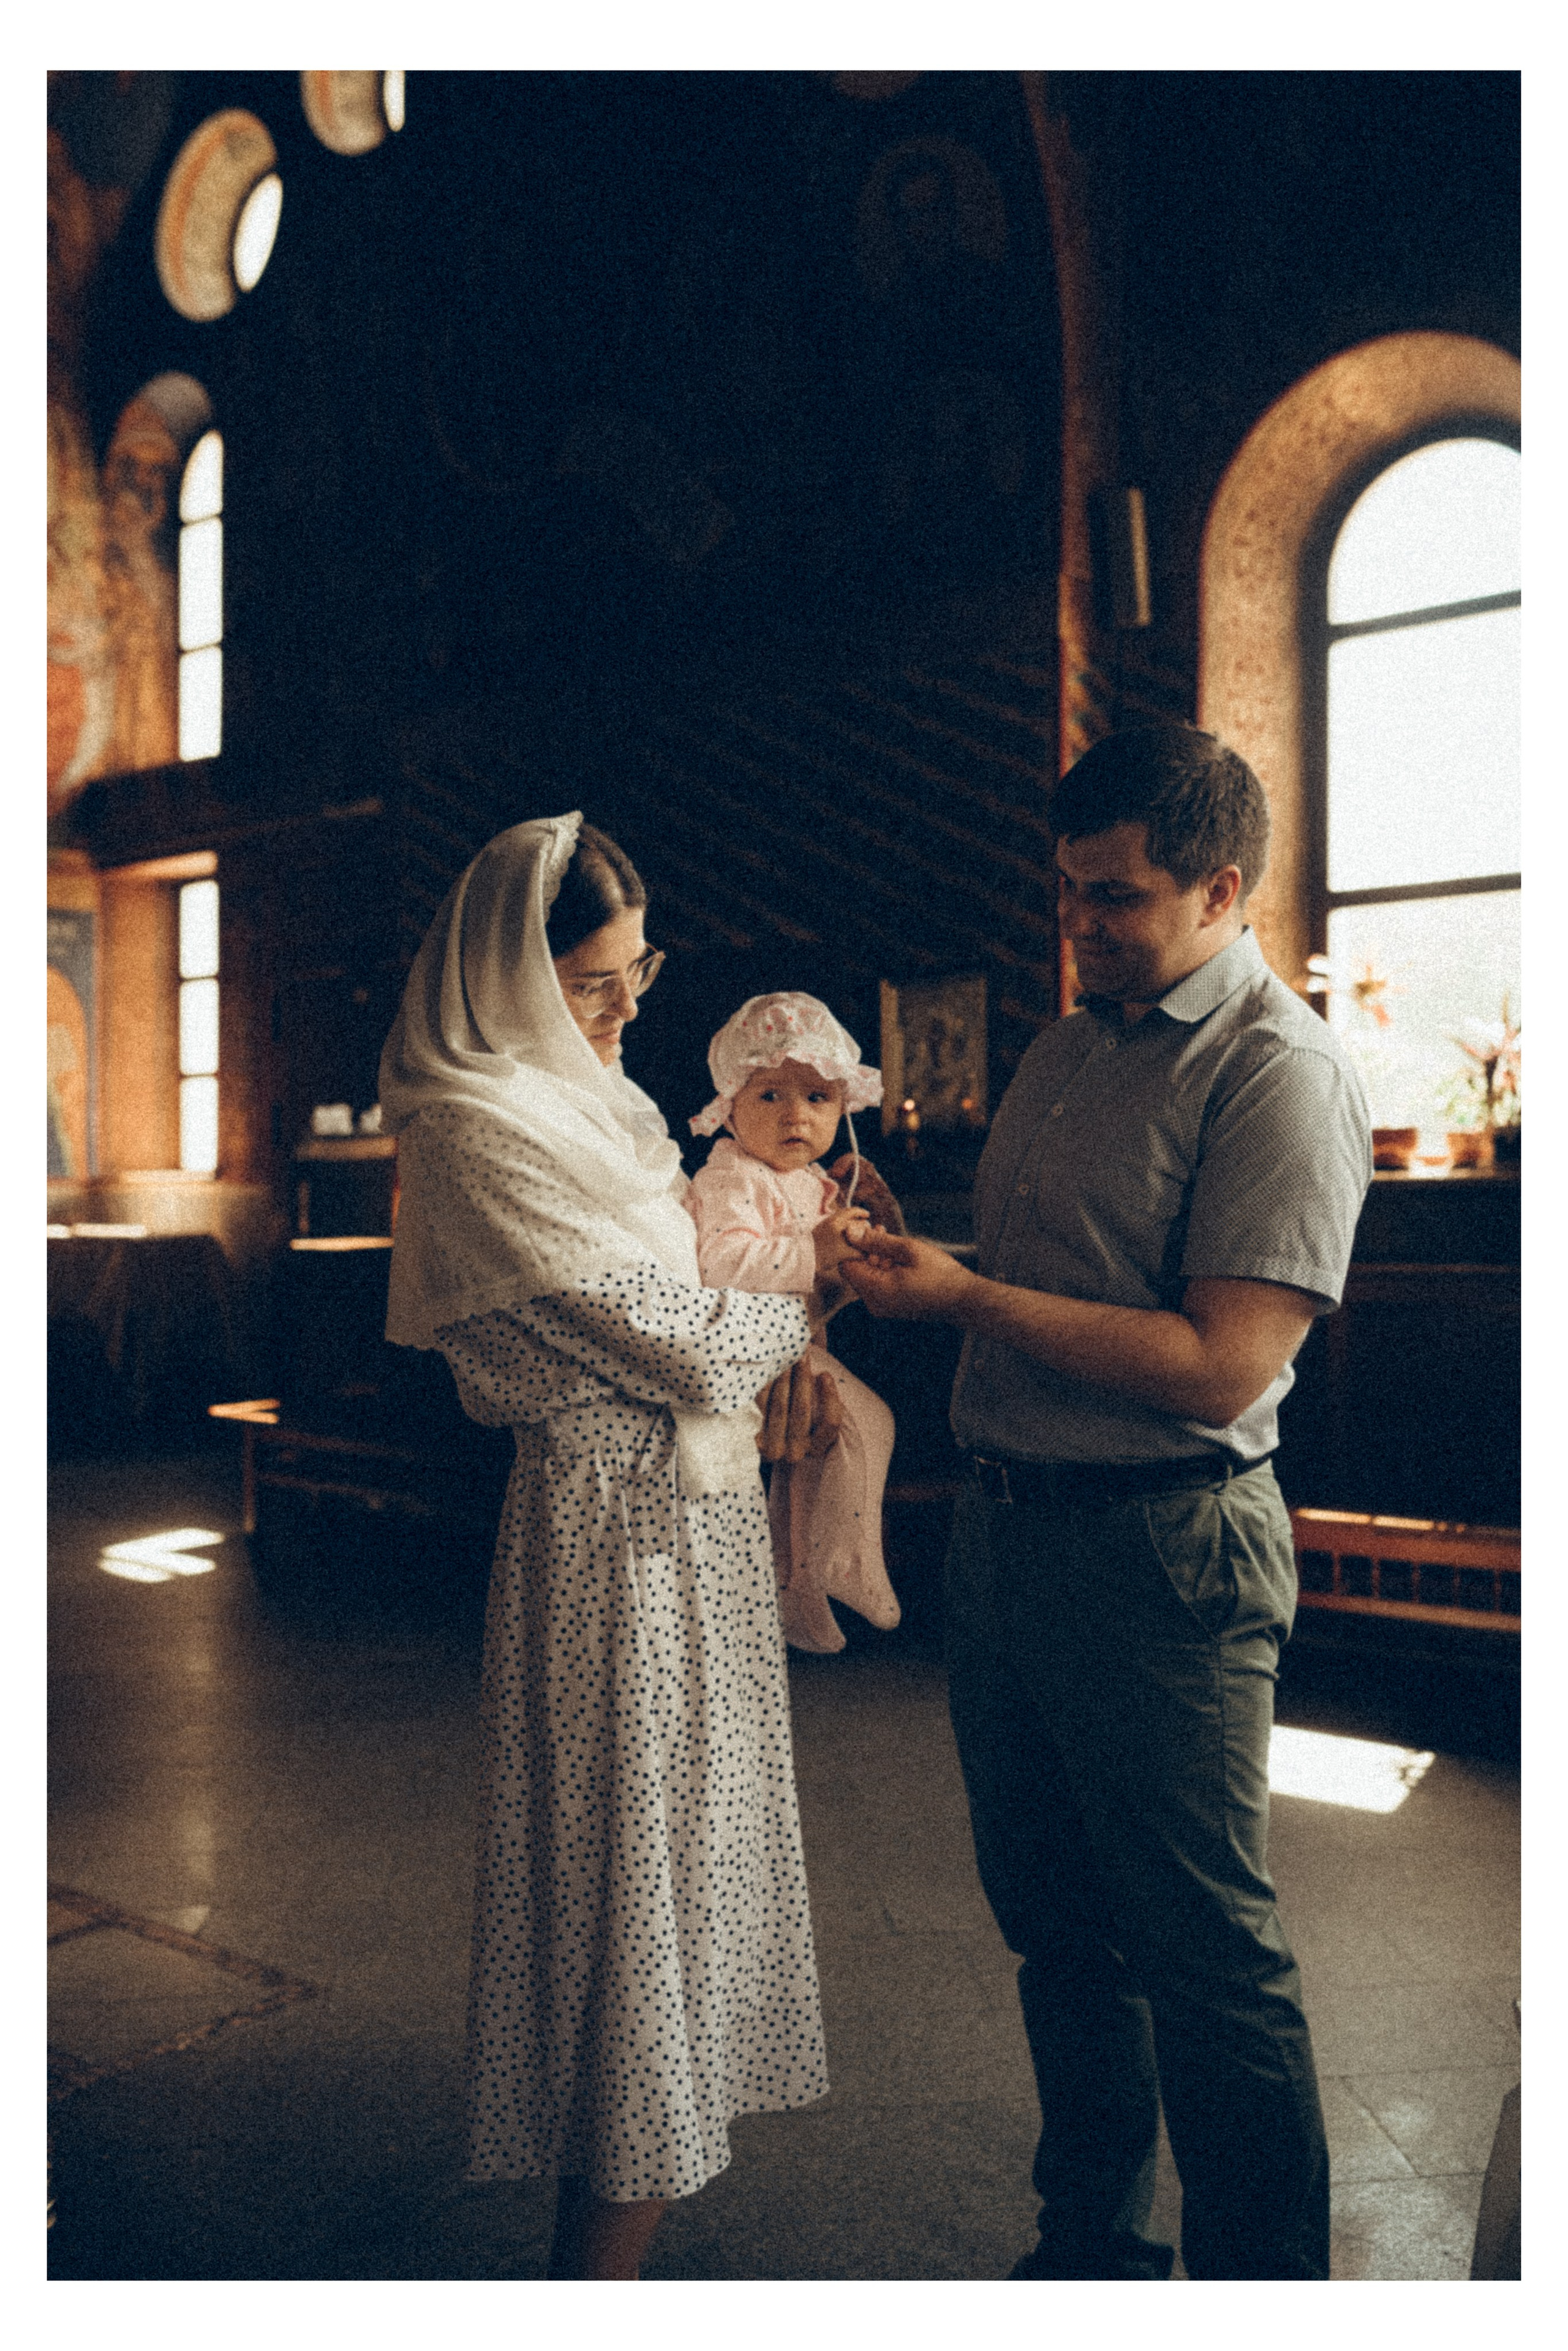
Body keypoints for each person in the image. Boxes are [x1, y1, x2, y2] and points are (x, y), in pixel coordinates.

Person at [842, 723, 1373, 2281]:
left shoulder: (1277, 1068)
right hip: (1008, 1541)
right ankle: (1091, 2249)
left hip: (1160, 1550)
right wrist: (907, 1241)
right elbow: (1048, 1276)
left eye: (1113, 898)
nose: (1074, 922)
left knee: (1205, 1958)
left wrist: (959, 1304)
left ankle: (1264, 2292)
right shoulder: (1076, 1038)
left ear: (1218, 890)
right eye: (1066, 888)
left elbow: (1218, 1365)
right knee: (1056, 1933)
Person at [377, 814, 834, 2281]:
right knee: (626, 1894)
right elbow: (678, 1333)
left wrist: (755, 1323)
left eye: (637, 970)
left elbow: (701, 1306)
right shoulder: (476, 1121)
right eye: (588, 983)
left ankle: (613, 2243)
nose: (627, 1009)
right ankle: (594, 2281)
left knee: (682, 1880)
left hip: (683, 1530)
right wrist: (814, 1311)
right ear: (503, 981)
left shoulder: (601, 1111)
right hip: (606, 1543)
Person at [685, 992, 902, 1654]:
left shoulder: (813, 1182)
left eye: (816, 1098)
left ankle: (796, 1589)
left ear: (843, 1109)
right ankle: (851, 1563)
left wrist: (861, 1252)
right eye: (770, 1096)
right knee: (868, 1425)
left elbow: (822, 1283)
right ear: (730, 1108)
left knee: (805, 1469)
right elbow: (720, 1262)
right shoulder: (732, 1176)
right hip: (746, 1354)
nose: (796, 1116)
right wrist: (820, 1251)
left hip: (795, 1346)